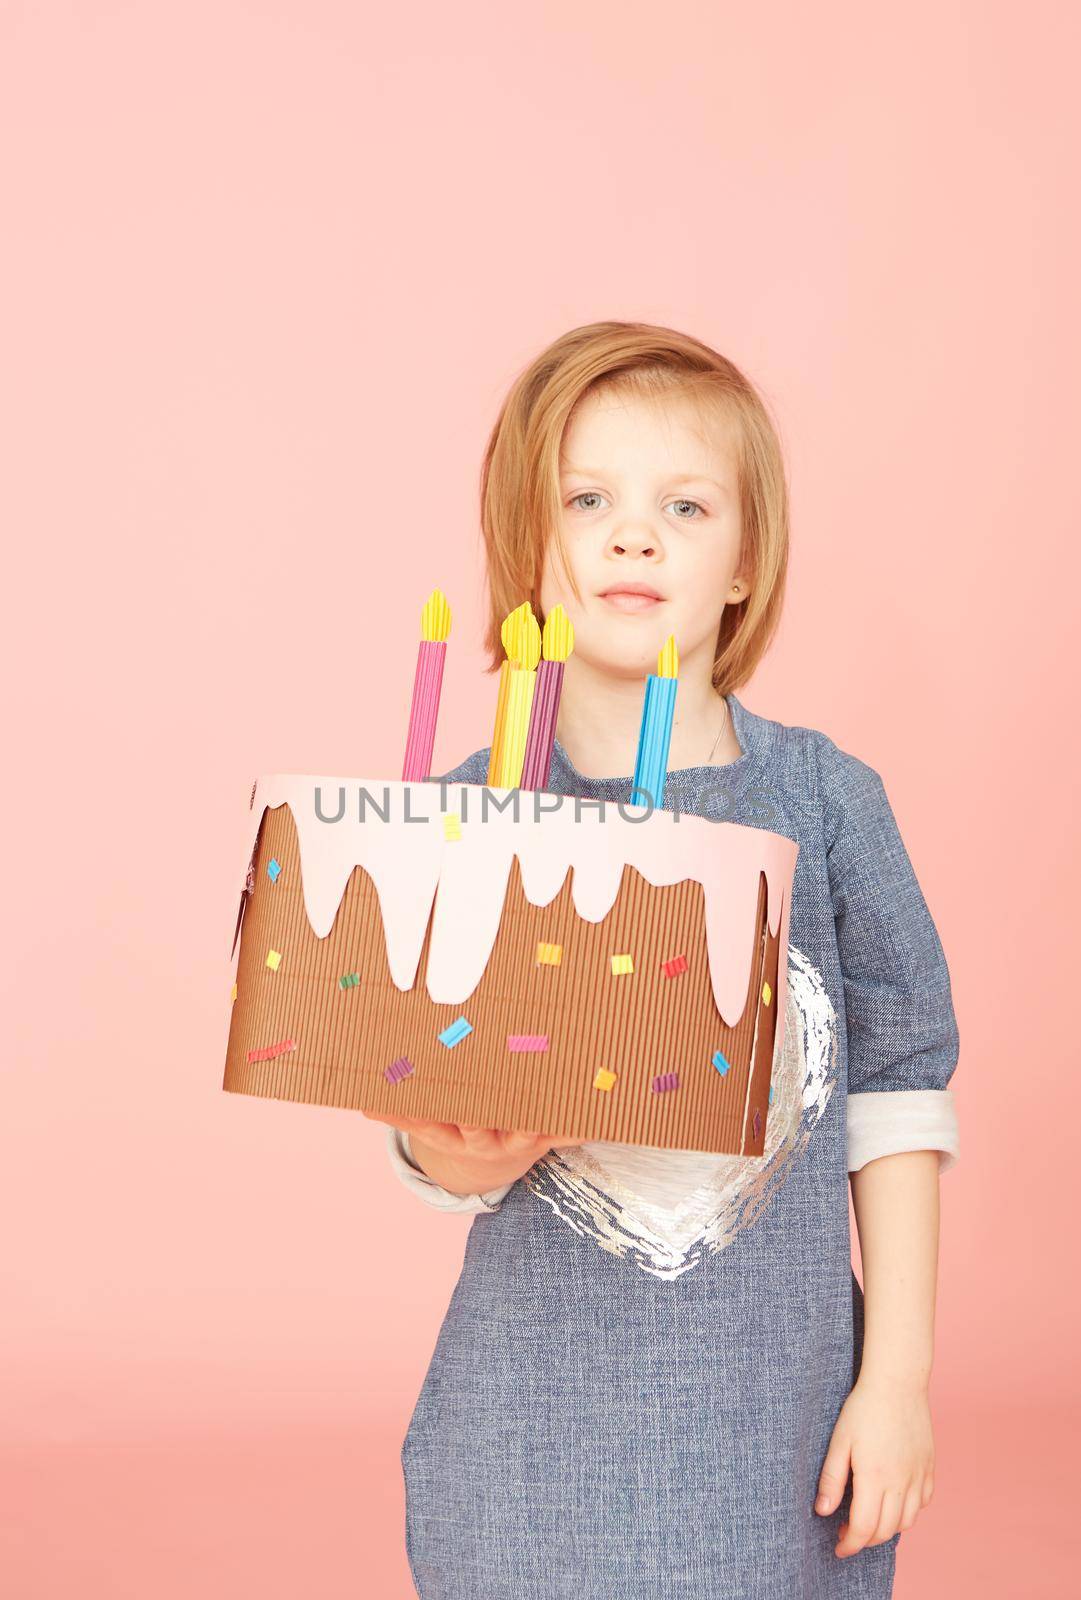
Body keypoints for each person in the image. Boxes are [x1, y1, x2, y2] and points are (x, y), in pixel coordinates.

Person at [363, 320, 960, 1599]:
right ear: (530, 545)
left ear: (744, 564)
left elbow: (898, 1087)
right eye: (588, 499)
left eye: (683, 505)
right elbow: (425, 1119)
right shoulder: (467, 815)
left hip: (771, 1424)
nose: (633, 534)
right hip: (525, 1428)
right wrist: (448, 1149)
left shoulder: (824, 801)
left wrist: (897, 1376)